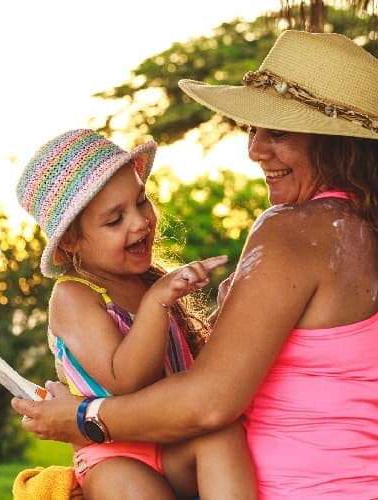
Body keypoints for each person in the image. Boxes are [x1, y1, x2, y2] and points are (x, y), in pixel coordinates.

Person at [13, 31, 378, 499]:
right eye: (253, 129)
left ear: (336, 143)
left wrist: (80, 417)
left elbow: (210, 403)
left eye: (277, 131)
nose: (255, 149)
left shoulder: (293, 228)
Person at [15, 128, 257, 499]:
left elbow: (188, 369)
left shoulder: (148, 281)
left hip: (173, 436)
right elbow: (125, 382)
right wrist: (156, 304)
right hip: (115, 451)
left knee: (223, 436)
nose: (140, 221)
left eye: (141, 201)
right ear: (70, 241)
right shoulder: (75, 296)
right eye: (115, 220)